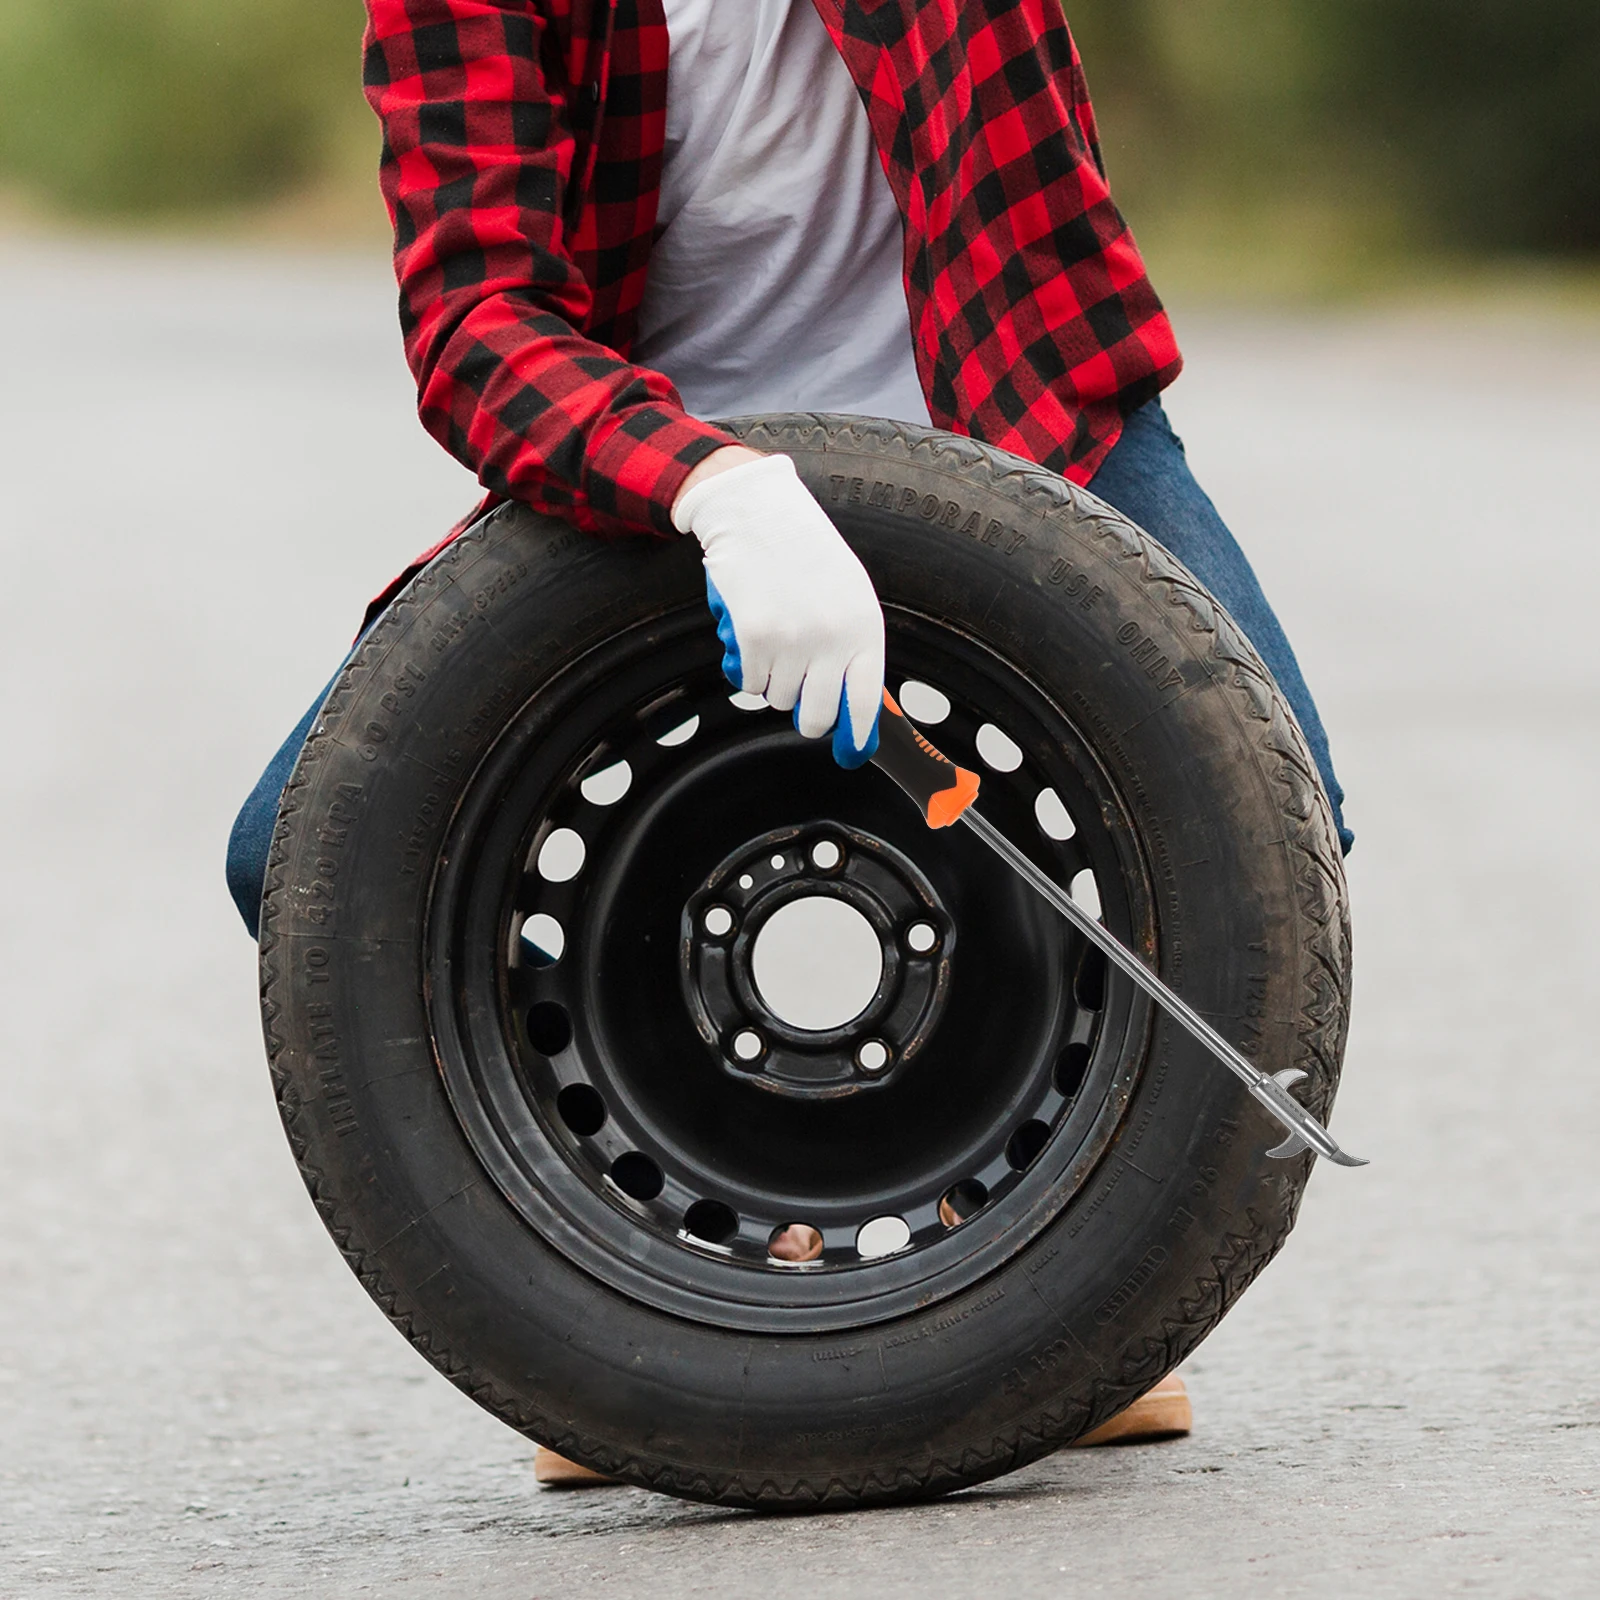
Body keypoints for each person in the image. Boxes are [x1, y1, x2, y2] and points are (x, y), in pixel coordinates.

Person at [227, 0, 1351, 1483]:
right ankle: (640, 1302)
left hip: (1005, 398)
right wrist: (714, 489)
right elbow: (475, 324)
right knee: (294, 857)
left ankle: (1040, 1287)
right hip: (670, 462)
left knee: (1278, 815)